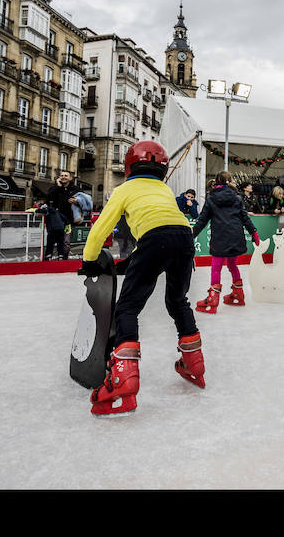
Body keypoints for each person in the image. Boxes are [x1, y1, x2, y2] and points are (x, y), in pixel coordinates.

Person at [79, 140, 205, 417]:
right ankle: (194, 363)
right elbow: (164, 230)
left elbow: (101, 230)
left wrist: (89, 261)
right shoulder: (164, 189)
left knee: (128, 308)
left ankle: (122, 379)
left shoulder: (124, 190)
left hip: (153, 240)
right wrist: (132, 262)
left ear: (129, 166)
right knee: (177, 300)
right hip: (184, 238)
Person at [192, 171, 261, 313]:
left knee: (216, 267)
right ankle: (238, 294)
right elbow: (244, 217)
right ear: (229, 181)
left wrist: (191, 234)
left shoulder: (212, 198)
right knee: (232, 264)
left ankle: (213, 298)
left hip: (220, 238)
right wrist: (253, 232)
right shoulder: (237, 198)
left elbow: (202, 220)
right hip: (236, 237)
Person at [46, 170, 78, 260]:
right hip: (56, 220)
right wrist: (57, 186)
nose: (63, 177)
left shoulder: (75, 189)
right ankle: (49, 256)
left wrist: (77, 201)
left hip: (69, 220)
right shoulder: (55, 188)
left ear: (70, 178)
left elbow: (84, 199)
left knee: (66, 241)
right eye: (62, 175)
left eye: (66, 175)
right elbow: (48, 199)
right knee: (52, 239)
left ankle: (64, 259)